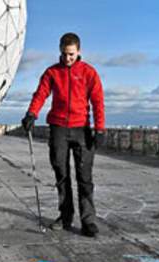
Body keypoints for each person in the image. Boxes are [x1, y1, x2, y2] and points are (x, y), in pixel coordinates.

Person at [22, 32, 106, 238]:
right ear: (59, 51)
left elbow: (97, 101)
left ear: (78, 52)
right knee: (62, 174)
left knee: (84, 176)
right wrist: (32, 113)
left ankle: (88, 220)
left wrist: (100, 128)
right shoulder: (52, 72)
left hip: (82, 129)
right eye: (64, 54)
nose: (67, 58)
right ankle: (65, 216)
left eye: (71, 54)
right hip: (58, 128)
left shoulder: (88, 72)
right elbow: (41, 93)